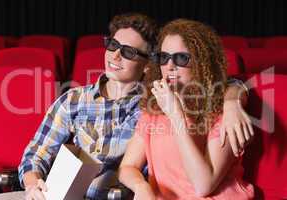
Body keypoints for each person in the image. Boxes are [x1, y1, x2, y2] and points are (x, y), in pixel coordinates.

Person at [18, 14, 252, 200]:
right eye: (112, 45)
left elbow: (223, 82)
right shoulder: (75, 100)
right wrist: (32, 184)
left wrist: (233, 100)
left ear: (147, 65)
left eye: (128, 52)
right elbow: (37, 154)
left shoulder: (151, 101)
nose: (116, 55)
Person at [119, 19, 254, 199]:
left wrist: (176, 115)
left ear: (201, 62)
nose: (169, 66)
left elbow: (203, 185)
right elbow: (127, 167)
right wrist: (141, 186)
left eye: (181, 58)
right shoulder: (155, 109)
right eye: (164, 57)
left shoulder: (223, 111)